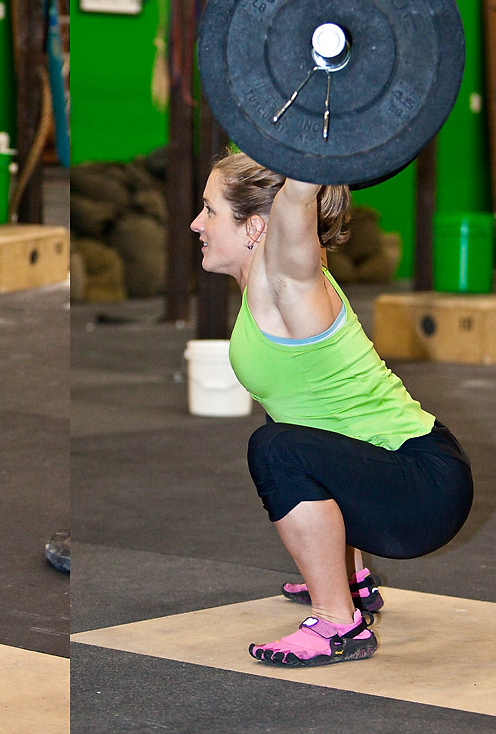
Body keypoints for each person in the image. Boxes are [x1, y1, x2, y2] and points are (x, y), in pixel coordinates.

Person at [190, 150, 473, 667]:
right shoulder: (269, 287)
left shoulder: (287, 280)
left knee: (276, 449)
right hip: (406, 477)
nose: (196, 223)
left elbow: (297, 196)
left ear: (256, 226)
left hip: (423, 487)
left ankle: (338, 623)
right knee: (291, 425)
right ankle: (349, 581)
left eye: (209, 210)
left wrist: (303, 145)